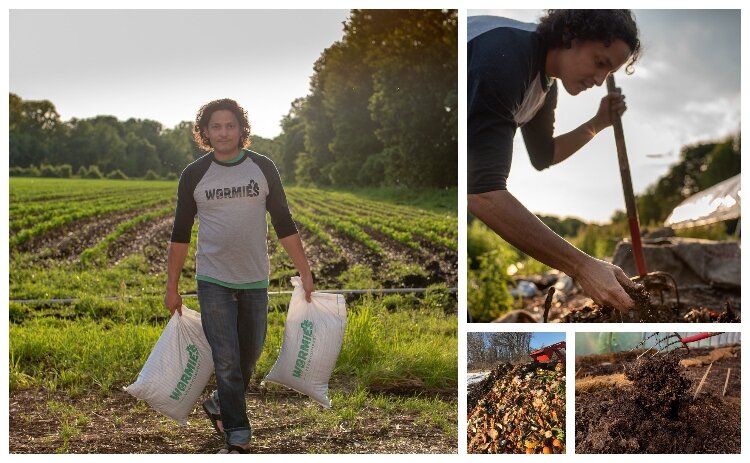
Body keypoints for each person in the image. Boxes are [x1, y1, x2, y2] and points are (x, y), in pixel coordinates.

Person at [164, 98, 314, 453]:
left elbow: (284, 222)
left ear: (241, 129)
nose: (223, 132)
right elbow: (180, 234)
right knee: (227, 359)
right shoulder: (194, 175)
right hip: (213, 280)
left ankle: (218, 402)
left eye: (230, 125)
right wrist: (171, 286)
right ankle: (237, 431)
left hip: (254, 280)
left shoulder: (262, 168)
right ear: (204, 133)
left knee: (249, 356)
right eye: (215, 126)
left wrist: (305, 271)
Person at [468, 10, 642, 312]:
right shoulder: (505, 58)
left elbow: (544, 155)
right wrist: (582, 266)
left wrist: (599, 122)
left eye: (609, 74)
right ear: (570, 33)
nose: (600, 80)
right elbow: (483, 193)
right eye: (600, 62)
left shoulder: (545, 86)